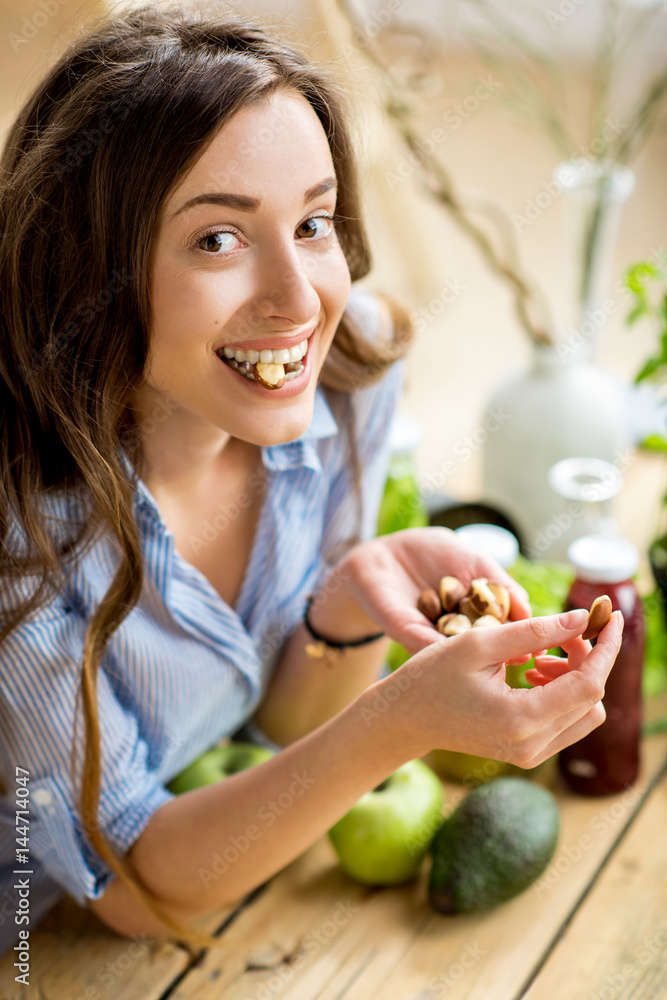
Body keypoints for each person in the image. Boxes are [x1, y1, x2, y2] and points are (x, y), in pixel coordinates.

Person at [0, 3, 623, 957]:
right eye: (218, 239)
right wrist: (403, 720)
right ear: (92, 278)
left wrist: (346, 605)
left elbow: (282, 722)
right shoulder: (21, 531)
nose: (300, 302)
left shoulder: (346, 377)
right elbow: (138, 889)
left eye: (314, 222)